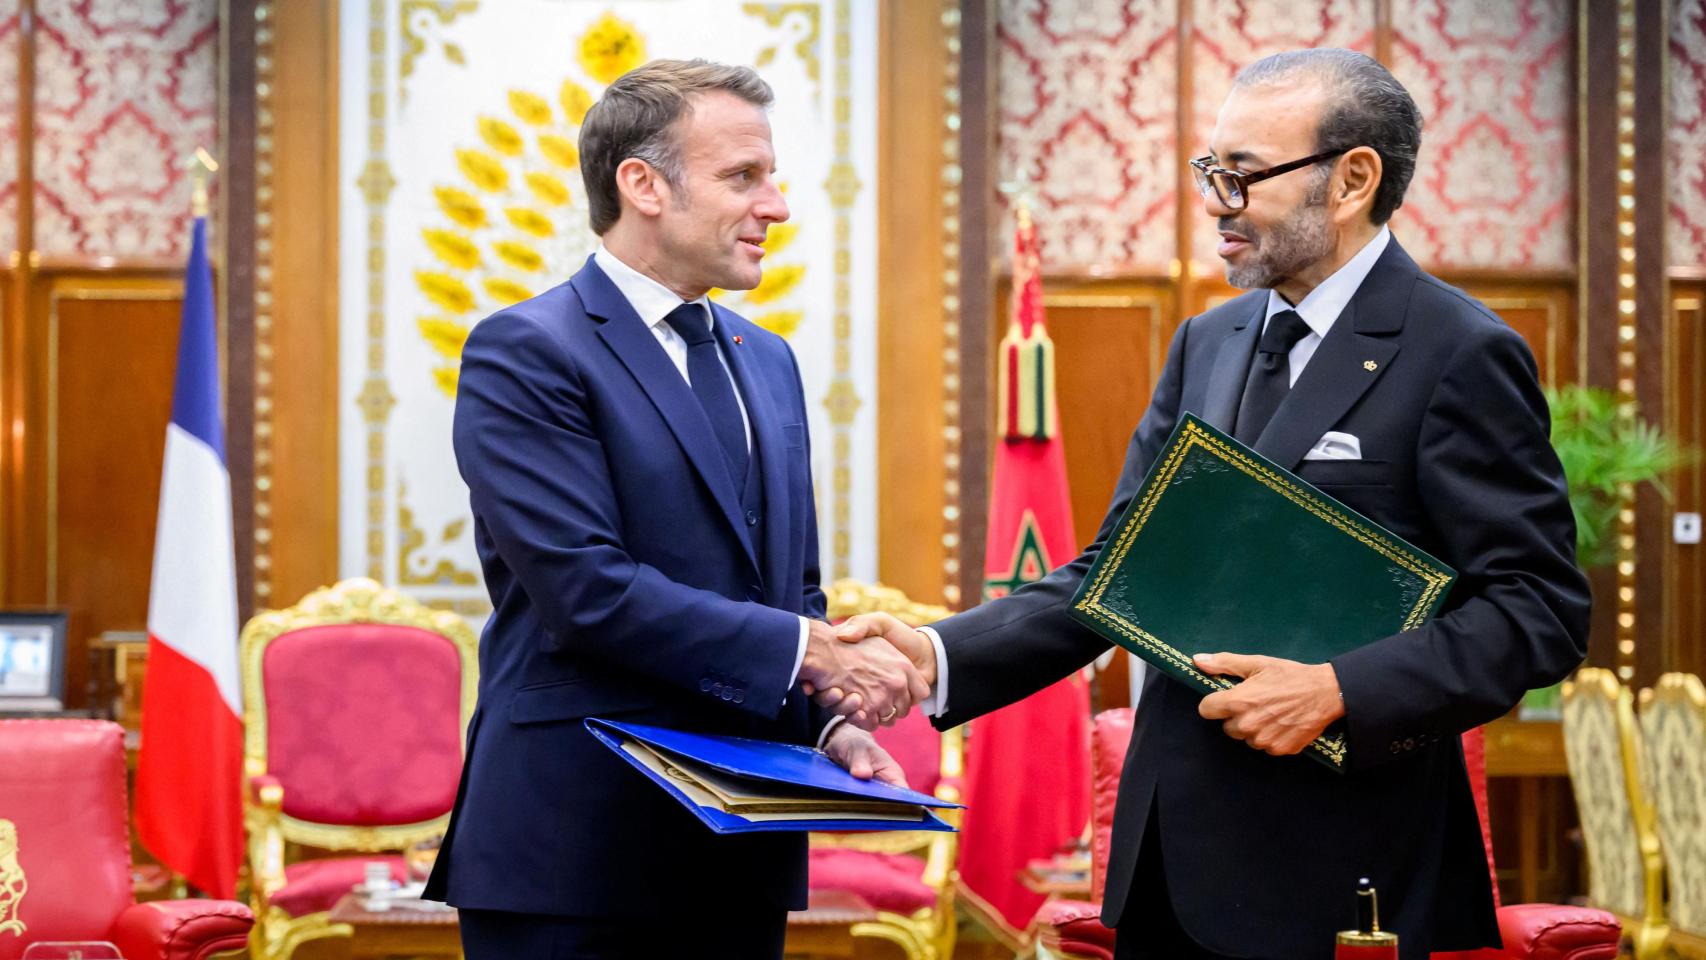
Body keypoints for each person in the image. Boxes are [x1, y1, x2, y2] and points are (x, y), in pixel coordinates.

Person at [835, 49, 1589, 960]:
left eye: (1243, 175)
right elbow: (1121, 574)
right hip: (1168, 867)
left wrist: (1339, 689)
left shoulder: (1458, 351)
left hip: (1344, 868)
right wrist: (933, 651)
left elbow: (1539, 610)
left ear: (1352, 180)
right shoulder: (1210, 339)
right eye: (1210, 172)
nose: (1214, 200)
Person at [422, 59, 921, 959]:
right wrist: (815, 652)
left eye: (771, 177)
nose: (775, 204)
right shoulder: (526, 352)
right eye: (744, 177)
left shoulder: (765, 358)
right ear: (642, 184)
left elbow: (787, 594)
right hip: (575, 856)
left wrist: (831, 720)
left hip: (739, 852)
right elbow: (588, 592)